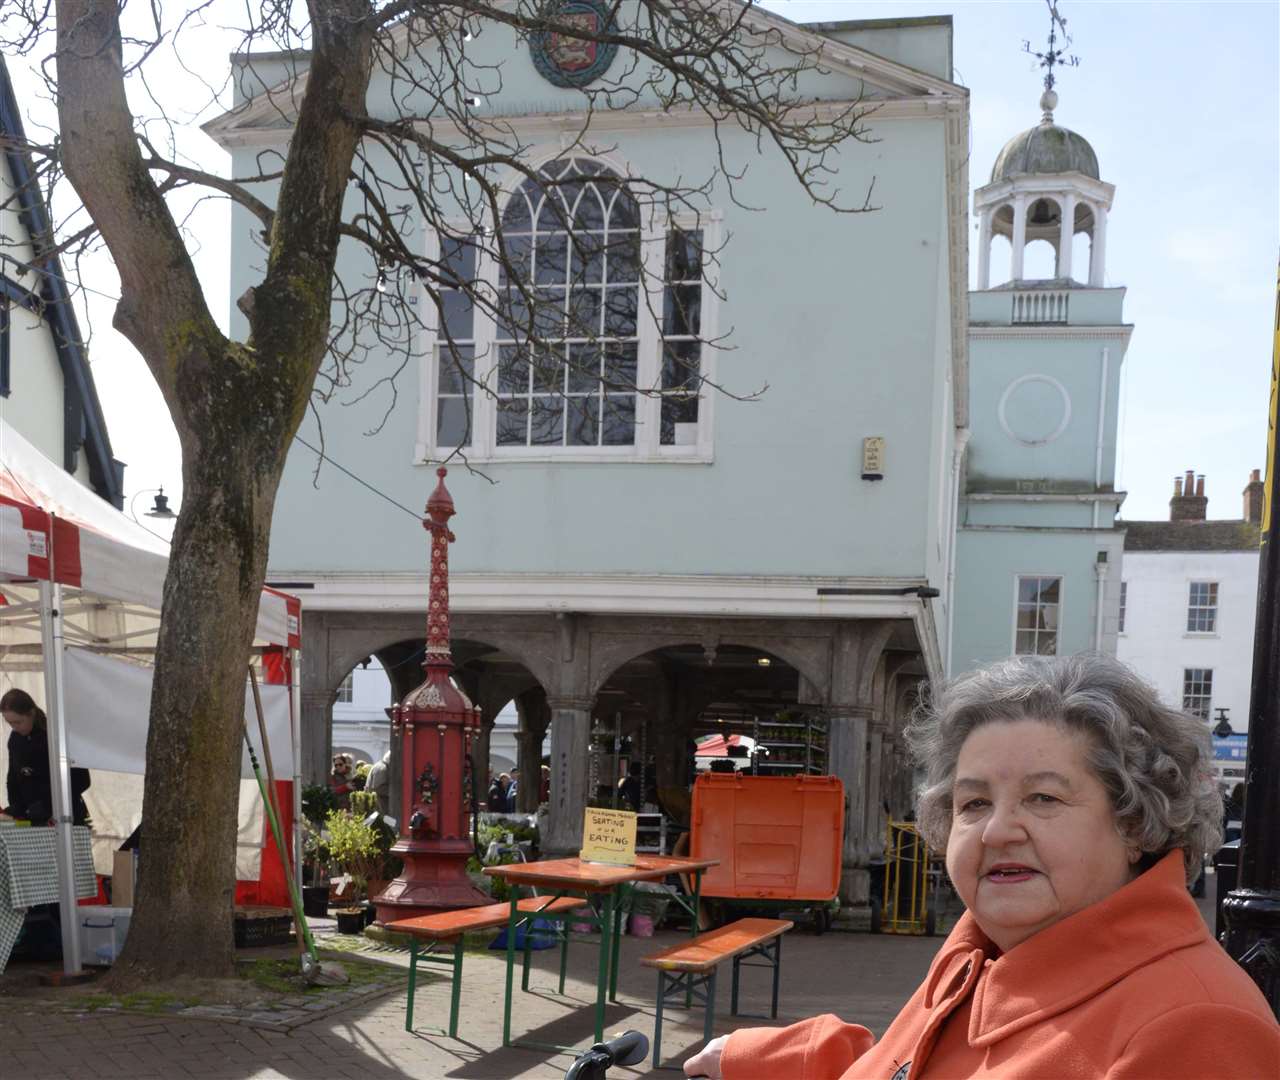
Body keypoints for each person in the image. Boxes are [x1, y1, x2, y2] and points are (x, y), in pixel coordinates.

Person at [684, 654, 1280, 1079]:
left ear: (1135, 823)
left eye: (1043, 798)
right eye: (973, 803)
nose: (997, 830)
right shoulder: (983, 950)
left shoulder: (1198, 1028)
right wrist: (791, 1058)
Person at [2, 688, 91, 826]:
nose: (14, 727)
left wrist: (47, 805)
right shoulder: (15, 739)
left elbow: (81, 779)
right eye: (10, 723)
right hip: (32, 819)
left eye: (18, 722)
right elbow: (13, 778)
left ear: (31, 713)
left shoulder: (56, 736)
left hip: (64, 818)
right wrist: (16, 808)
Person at [365, 750, 392, 817]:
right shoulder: (382, 768)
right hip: (381, 807)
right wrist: (397, 792)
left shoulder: (381, 766)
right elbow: (378, 788)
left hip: (381, 806)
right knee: (390, 824)